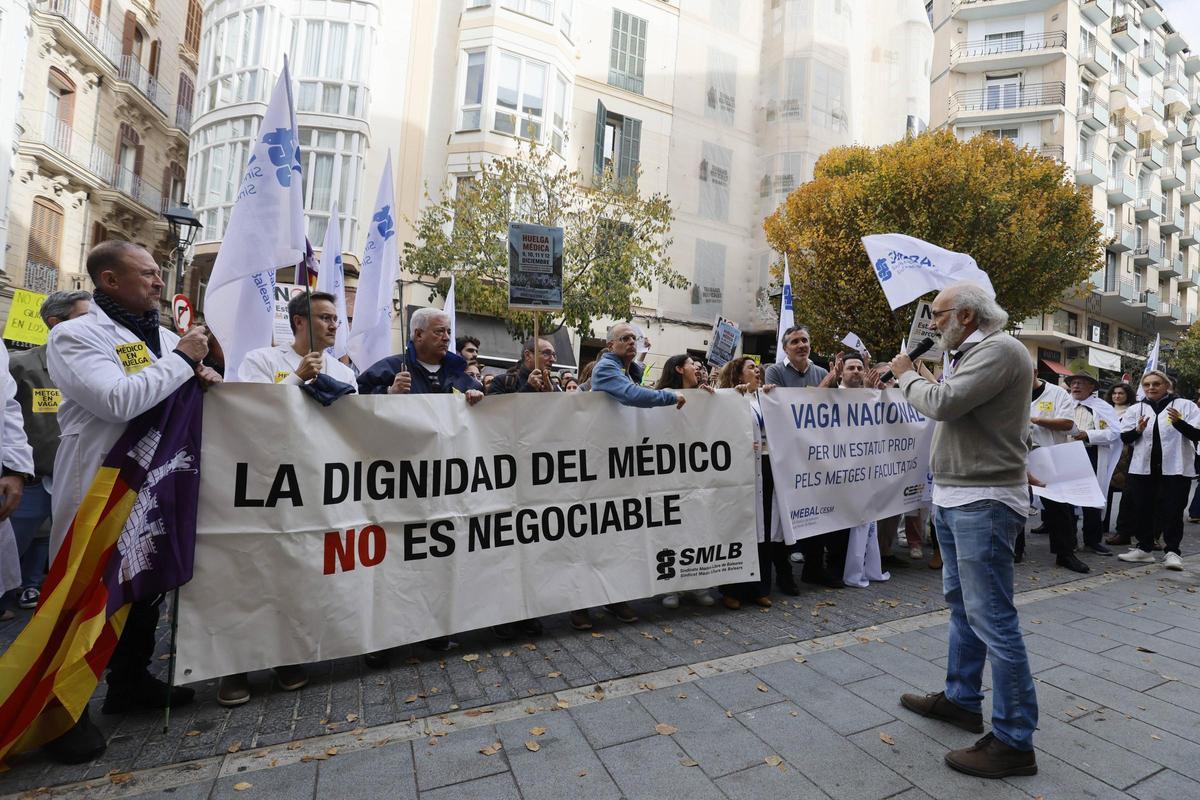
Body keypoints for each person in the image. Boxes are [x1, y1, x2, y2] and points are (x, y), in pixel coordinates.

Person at [43, 240, 219, 763]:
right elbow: (119, 399)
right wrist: (185, 362)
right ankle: (60, 713)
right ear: (110, 280)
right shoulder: (75, 336)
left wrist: (201, 380)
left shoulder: (164, 337)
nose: (159, 281)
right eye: (147, 274)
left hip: (153, 483)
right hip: (101, 484)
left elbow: (170, 390)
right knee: (85, 594)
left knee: (144, 587)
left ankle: (129, 682)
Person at [890, 281, 1038, 779]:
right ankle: (960, 698)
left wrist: (906, 376)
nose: (931, 323)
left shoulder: (1001, 350)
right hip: (960, 496)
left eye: (937, 314)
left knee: (993, 618)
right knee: (963, 607)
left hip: (983, 501)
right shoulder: (975, 353)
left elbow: (944, 405)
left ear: (967, 317)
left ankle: (1014, 740)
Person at [571, 323, 684, 630]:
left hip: (620, 465)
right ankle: (581, 604)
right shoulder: (607, 369)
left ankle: (614, 596)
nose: (631, 342)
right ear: (610, 346)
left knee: (616, 536)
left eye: (634, 338)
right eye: (624, 338)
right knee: (593, 533)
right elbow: (632, 397)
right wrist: (668, 397)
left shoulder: (630, 369)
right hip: (597, 465)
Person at [5, 290, 90, 613]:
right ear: (56, 324)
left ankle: (34, 587)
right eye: (85, 318)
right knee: (15, 541)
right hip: (29, 480)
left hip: (76, 478)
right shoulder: (20, 365)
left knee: (55, 542)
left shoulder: (98, 368)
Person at [715, 356, 792, 608]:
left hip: (765, 470)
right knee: (740, 527)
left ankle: (760, 587)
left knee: (764, 530)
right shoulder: (729, 398)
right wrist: (731, 399)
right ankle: (732, 590)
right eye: (751, 368)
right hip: (739, 473)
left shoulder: (763, 399)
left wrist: (771, 398)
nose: (757, 372)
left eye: (758, 369)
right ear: (738, 375)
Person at [1116, 370, 1200, 571]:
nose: (1151, 388)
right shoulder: (1136, 409)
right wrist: (1137, 430)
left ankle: (1172, 552)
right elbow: (1125, 438)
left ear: (1167, 385)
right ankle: (1144, 549)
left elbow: (1197, 433)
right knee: (1142, 509)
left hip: (1175, 468)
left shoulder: (1185, 406)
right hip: (1142, 468)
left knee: (1172, 510)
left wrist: (1179, 423)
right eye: (1147, 385)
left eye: (1156, 384)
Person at [653, 355, 717, 609]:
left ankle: (697, 584)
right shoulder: (664, 395)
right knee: (671, 532)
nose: (698, 369)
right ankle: (671, 587)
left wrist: (711, 401)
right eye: (693, 365)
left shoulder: (702, 395)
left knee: (697, 528)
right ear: (680, 369)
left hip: (696, 475)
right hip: (669, 476)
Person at [1028, 369, 1088, 573]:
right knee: (1014, 504)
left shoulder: (1057, 393)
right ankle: (1014, 552)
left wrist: (1035, 420)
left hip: (1048, 456)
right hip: (1016, 456)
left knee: (1058, 508)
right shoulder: (1009, 391)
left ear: (1034, 372)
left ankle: (1065, 554)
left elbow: (1067, 423)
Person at [357, 308, 483, 402]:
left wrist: (477, 398)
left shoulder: (460, 377)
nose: (447, 338)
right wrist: (389, 392)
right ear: (418, 335)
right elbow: (356, 398)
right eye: (439, 331)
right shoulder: (391, 368)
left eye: (449, 332)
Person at [238, 291, 357, 387]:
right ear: (299, 322)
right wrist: (297, 377)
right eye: (325, 318)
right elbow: (255, 407)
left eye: (335, 319)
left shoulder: (345, 374)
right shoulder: (260, 360)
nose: (333, 326)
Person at [1066, 372, 1120, 557]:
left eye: (1081, 383)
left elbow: (1114, 433)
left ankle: (1092, 540)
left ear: (1092, 388)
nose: (1076, 386)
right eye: (1073, 383)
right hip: (1065, 455)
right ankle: (1068, 540)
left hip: (1091, 454)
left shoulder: (1101, 407)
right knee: (1067, 499)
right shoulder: (1065, 404)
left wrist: (1088, 434)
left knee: (1091, 499)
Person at [764, 325, 841, 389]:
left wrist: (834, 381)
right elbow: (781, 404)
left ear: (810, 346)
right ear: (785, 349)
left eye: (804, 340)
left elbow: (830, 402)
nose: (801, 345)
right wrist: (825, 383)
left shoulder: (822, 373)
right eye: (795, 342)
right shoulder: (774, 371)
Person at [1106, 382, 1136, 541]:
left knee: (1127, 493)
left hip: (1126, 455)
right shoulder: (1105, 410)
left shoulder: (1133, 411)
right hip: (1107, 453)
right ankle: (1103, 524)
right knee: (1105, 490)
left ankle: (1124, 529)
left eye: (1121, 394)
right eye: (1114, 393)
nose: (1117, 396)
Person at [487, 338, 557, 394]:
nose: (553, 359)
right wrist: (528, 388)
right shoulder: (502, 382)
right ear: (528, 355)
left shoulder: (555, 387)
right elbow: (494, 410)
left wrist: (550, 396)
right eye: (546, 353)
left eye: (554, 355)